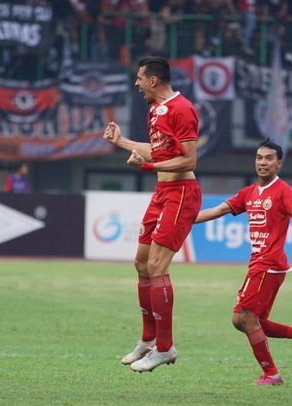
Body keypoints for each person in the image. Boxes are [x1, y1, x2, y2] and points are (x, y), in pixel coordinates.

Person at [194, 138, 292, 386]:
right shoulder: (248, 193)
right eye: (259, 158)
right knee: (249, 320)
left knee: (242, 318)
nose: (263, 162)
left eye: (269, 158)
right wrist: (183, 220)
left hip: (268, 264)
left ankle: (271, 374)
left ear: (279, 163)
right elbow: (218, 210)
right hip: (261, 264)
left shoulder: (283, 190)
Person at [103, 56, 201, 373]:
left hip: (182, 193)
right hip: (162, 193)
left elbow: (188, 161)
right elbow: (157, 152)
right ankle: (148, 340)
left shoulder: (182, 109)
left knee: (158, 265)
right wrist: (121, 143)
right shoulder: (155, 110)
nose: (137, 83)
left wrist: (148, 167)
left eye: (140, 78)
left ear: (154, 80)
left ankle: (165, 347)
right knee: (142, 263)